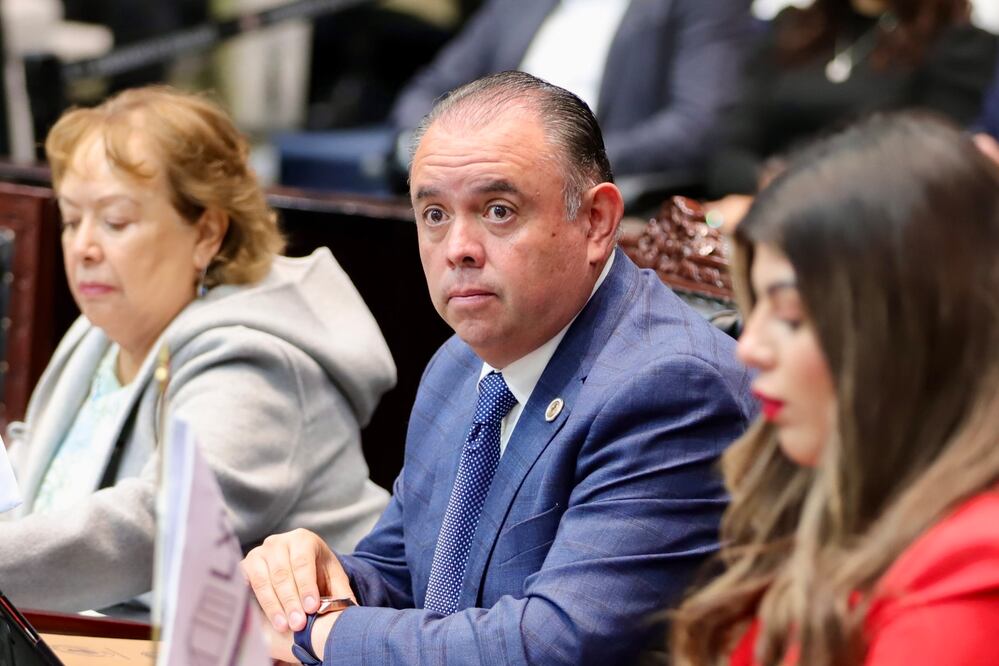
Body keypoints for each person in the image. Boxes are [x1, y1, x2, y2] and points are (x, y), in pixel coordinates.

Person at [243, 71, 755, 665]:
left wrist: (325, 635)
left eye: (498, 210)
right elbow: (405, 576)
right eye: (433, 214)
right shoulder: (460, 363)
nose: (458, 246)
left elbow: (550, 646)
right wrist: (311, 585)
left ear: (597, 222)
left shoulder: (672, 389)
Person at [0, 86, 396, 614]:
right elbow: (31, 479)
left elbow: (162, 523)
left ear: (206, 231)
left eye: (115, 221)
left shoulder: (258, 360)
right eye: (73, 220)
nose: (84, 247)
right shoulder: (99, 330)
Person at [672, 112, 999, 665]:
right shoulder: (834, 495)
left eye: (793, 317)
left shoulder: (970, 574)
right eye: (755, 310)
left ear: (917, 334)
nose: (748, 348)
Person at [704, 0, 998, 226]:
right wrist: (758, 189)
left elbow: (912, 167)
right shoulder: (793, 28)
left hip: (854, 235)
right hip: (740, 213)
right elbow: (729, 144)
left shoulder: (960, 46)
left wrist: (777, 200)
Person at [388, 0, 754, 180]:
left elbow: (696, 124)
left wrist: (562, 161)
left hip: (601, 182)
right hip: (472, 173)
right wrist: (441, 150)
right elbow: (429, 88)